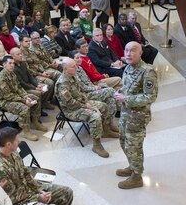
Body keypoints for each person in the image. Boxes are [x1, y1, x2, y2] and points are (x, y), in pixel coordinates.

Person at [0, 127, 73, 205]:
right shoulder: (0, 168)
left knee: (67, 192)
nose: (19, 142)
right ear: (8, 144)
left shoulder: (13, 152)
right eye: (17, 141)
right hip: (20, 202)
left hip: (29, 190)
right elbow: (11, 198)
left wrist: (39, 190)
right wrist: (37, 197)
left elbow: (26, 173)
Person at [114, 41, 158, 189]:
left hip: (138, 116)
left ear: (140, 53)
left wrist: (126, 99)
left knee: (134, 145)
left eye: (133, 50)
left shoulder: (148, 71)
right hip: (126, 113)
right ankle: (132, 166)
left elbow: (150, 97)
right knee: (123, 141)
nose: (128, 53)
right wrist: (121, 92)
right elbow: (128, 87)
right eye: (126, 50)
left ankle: (137, 176)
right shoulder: (127, 67)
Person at [55, 58, 117, 158]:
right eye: (73, 66)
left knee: (104, 106)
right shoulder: (62, 84)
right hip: (72, 110)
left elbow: (82, 89)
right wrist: (85, 106)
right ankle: (96, 145)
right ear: (65, 69)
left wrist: (88, 100)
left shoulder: (72, 76)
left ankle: (106, 130)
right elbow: (70, 103)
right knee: (94, 116)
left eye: (76, 65)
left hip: (82, 102)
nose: (76, 68)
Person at [0, 56, 44, 141]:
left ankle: (35, 122)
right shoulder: (1, 79)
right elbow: (8, 96)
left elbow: (19, 87)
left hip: (15, 97)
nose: (12, 65)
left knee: (35, 98)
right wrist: (24, 101)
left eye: (13, 63)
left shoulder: (12, 73)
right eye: (10, 63)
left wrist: (25, 96)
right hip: (5, 102)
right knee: (24, 108)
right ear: (4, 64)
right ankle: (26, 132)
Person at [69, 50, 119, 138]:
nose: (79, 59)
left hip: (91, 90)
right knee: (110, 90)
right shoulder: (73, 72)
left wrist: (97, 86)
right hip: (85, 95)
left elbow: (87, 82)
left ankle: (108, 126)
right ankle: (124, 105)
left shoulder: (79, 68)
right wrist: (94, 88)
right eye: (77, 58)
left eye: (80, 57)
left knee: (110, 99)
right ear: (71, 60)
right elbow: (82, 88)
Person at [12, 45, 54, 115]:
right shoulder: (13, 68)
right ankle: (36, 112)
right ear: (13, 56)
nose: (20, 55)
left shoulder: (23, 63)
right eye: (18, 54)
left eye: (20, 53)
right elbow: (21, 83)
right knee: (38, 93)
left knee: (46, 86)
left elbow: (30, 76)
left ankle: (43, 104)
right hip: (23, 88)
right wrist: (35, 88)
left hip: (29, 84)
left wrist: (37, 85)